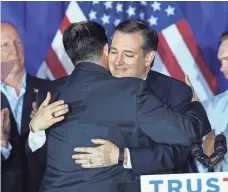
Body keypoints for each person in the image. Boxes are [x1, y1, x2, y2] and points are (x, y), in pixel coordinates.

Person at [29, 21, 210, 192]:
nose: (118, 61)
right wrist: (35, 131)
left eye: (128, 54)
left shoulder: (175, 91)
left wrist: (123, 155)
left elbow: (178, 151)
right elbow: (52, 156)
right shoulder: (75, 90)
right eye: (114, 52)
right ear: (106, 51)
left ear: (149, 57)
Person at [0, 22, 66, 192]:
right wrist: (2, 143)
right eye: (5, 44)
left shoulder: (51, 91)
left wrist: (45, 130)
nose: (14, 51)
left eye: (18, 43)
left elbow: (63, 149)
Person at [196, 31, 228, 172]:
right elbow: (204, 164)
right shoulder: (212, 108)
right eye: (221, 61)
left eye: (227, 59)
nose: (222, 68)